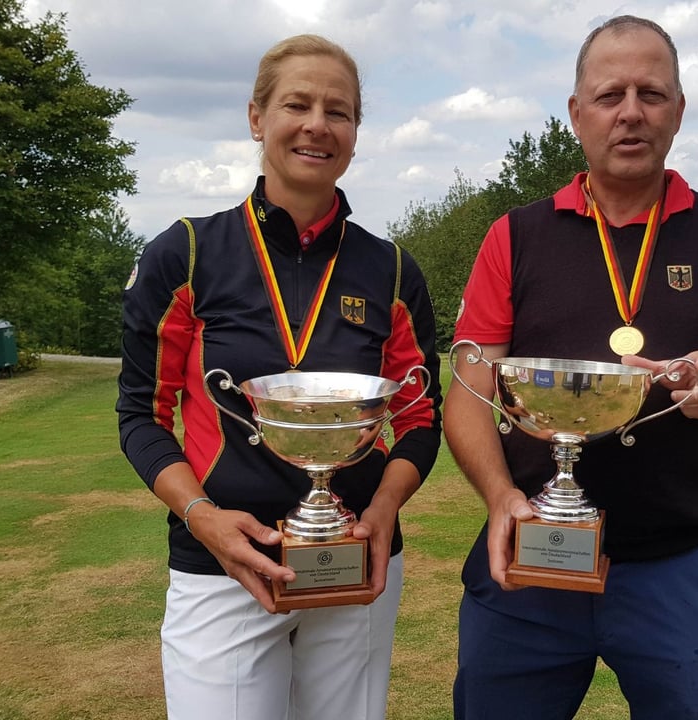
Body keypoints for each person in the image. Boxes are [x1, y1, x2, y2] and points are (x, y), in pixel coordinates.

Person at [445, 15, 698, 720]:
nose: (631, 111)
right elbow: (468, 392)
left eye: (652, 92)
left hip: (676, 569)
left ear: (679, 111)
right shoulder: (514, 236)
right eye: (610, 94)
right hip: (531, 559)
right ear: (577, 113)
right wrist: (499, 499)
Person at [116, 34, 443, 720]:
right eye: (298, 103)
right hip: (221, 566)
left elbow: (419, 419)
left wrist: (383, 514)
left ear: (355, 132)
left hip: (355, 558)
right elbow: (142, 417)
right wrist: (202, 518)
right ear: (257, 117)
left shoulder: (389, 270)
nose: (318, 124)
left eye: (340, 110)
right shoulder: (187, 252)